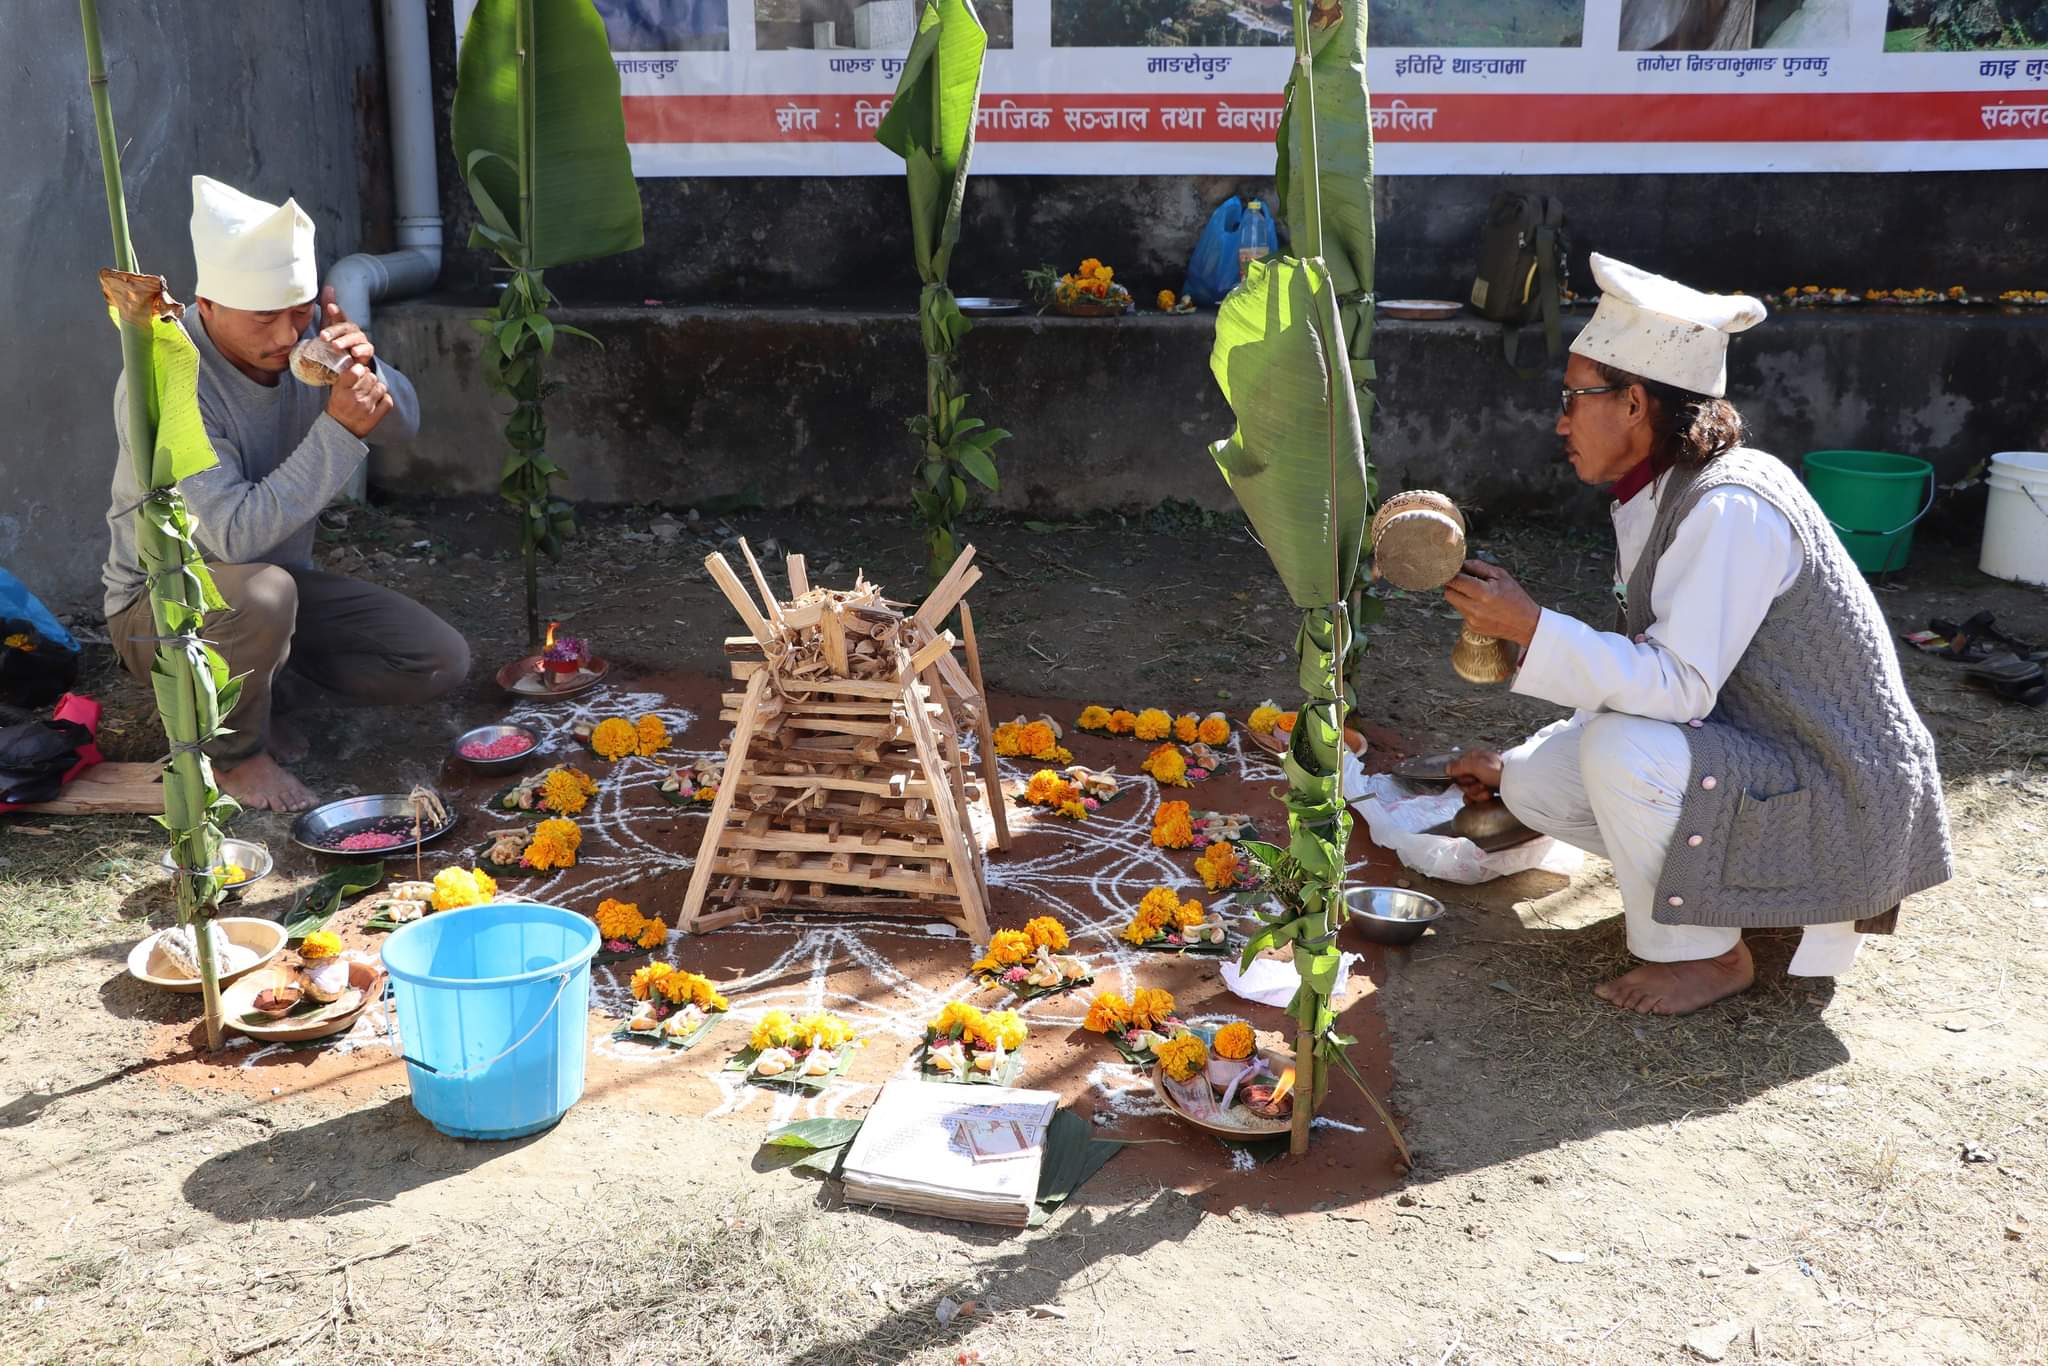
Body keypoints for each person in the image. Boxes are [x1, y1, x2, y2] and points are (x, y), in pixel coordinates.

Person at [1442, 253, 1951, 1016]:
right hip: (1756, 751)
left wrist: (1534, 627)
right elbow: (1654, 674)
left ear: (1636, 402)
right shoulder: (1661, 493)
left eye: (1574, 398)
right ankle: (1725, 891)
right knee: (1538, 781)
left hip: (1834, 787)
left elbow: (1676, 686)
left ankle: (1707, 956)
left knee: (1620, 752)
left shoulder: (1729, 508)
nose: (1561, 420)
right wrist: (1512, 761)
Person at [101, 176, 468, 813]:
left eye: (299, 313)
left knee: (438, 660)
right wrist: (337, 429)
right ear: (207, 306)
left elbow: (404, 428)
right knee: (267, 592)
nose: (283, 336)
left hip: (273, 593)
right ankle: (233, 755)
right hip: (163, 608)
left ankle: (261, 686)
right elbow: (230, 536)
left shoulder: (303, 346)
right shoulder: (168, 374)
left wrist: (366, 371)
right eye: (264, 318)